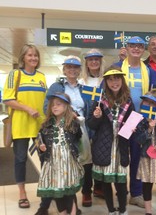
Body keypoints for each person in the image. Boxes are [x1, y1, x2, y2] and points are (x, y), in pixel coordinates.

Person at [39, 55, 85, 215]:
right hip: (54, 155)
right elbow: (47, 106)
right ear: (64, 69)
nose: (72, 70)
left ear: (80, 70)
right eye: (68, 67)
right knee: (55, 183)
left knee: (70, 183)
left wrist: (73, 120)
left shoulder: (82, 87)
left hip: (72, 141)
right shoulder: (55, 87)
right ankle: (47, 207)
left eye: (75, 67)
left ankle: (74, 210)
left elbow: (78, 137)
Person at [114, 36, 156, 208]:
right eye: (133, 46)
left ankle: (136, 193)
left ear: (143, 49)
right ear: (127, 47)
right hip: (123, 119)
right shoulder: (117, 68)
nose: (136, 49)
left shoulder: (149, 71)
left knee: (139, 158)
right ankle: (121, 191)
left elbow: (154, 95)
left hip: (141, 120)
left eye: (140, 46)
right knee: (122, 156)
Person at [3, 44, 47, 209]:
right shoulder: (15, 75)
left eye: (35, 55)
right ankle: (22, 192)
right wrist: (28, 109)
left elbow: (44, 102)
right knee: (20, 159)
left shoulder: (41, 76)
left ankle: (45, 189)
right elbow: (7, 99)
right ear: (23, 58)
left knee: (44, 158)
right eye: (30, 55)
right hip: (20, 125)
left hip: (39, 126)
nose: (33, 58)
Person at [87, 67, 134, 215]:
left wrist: (131, 128)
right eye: (110, 79)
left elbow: (132, 125)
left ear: (122, 80)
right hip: (104, 146)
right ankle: (110, 210)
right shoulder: (100, 101)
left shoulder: (128, 101)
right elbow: (91, 125)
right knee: (106, 181)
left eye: (117, 78)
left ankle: (123, 210)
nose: (114, 82)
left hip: (120, 147)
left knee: (120, 182)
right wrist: (97, 116)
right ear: (106, 82)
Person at [79, 49, 105, 206]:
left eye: (97, 59)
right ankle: (86, 191)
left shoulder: (105, 80)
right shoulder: (82, 81)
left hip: (102, 124)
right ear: (86, 63)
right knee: (87, 159)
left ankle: (99, 187)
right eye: (91, 59)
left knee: (100, 156)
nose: (94, 62)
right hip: (86, 125)